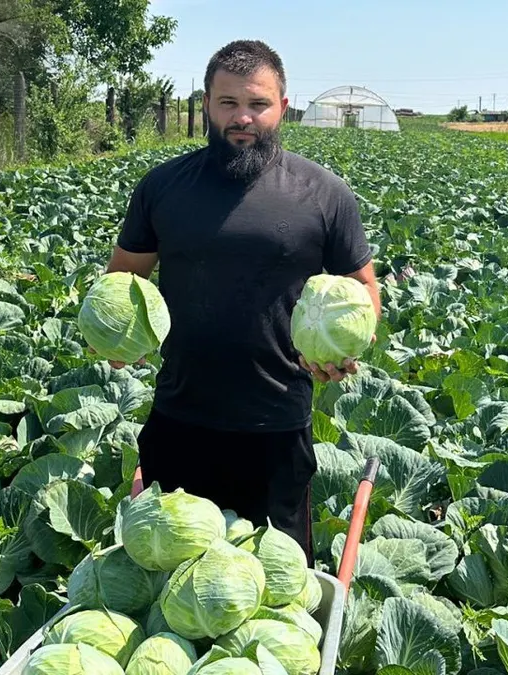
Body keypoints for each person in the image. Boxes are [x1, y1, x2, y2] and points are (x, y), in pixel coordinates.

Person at [105, 39, 381, 564]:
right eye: (228, 103)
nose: (242, 118)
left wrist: (346, 347)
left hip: (276, 423)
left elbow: (364, 288)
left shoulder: (323, 193)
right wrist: (118, 336)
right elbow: (122, 281)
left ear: (282, 105)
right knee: (175, 576)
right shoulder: (163, 187)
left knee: (277, 581)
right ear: (205, 105)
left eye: (257, 103)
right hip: (180, 416)